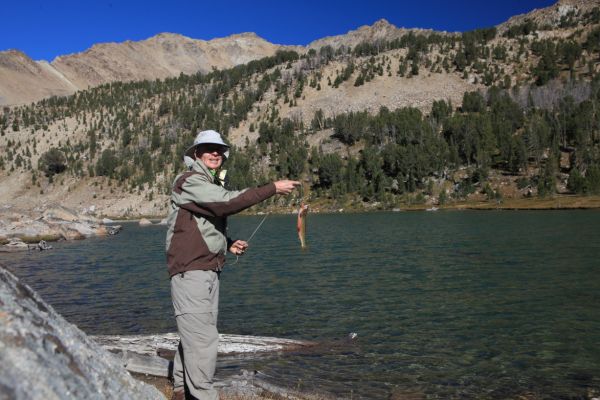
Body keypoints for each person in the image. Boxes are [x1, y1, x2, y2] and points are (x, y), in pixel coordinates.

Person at [165, 129, 299, 400]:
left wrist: (227, 243)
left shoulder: (207, 183)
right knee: (203, 340)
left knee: (195, 333)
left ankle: (180, 390)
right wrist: (272, 188)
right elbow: (226, 204)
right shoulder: (189, 180)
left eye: (219, 150)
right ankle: (202, 395)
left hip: (206, 270)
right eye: (209, 149)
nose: (215, 153)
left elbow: (202, 225)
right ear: (196, 154)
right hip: (191, 271)